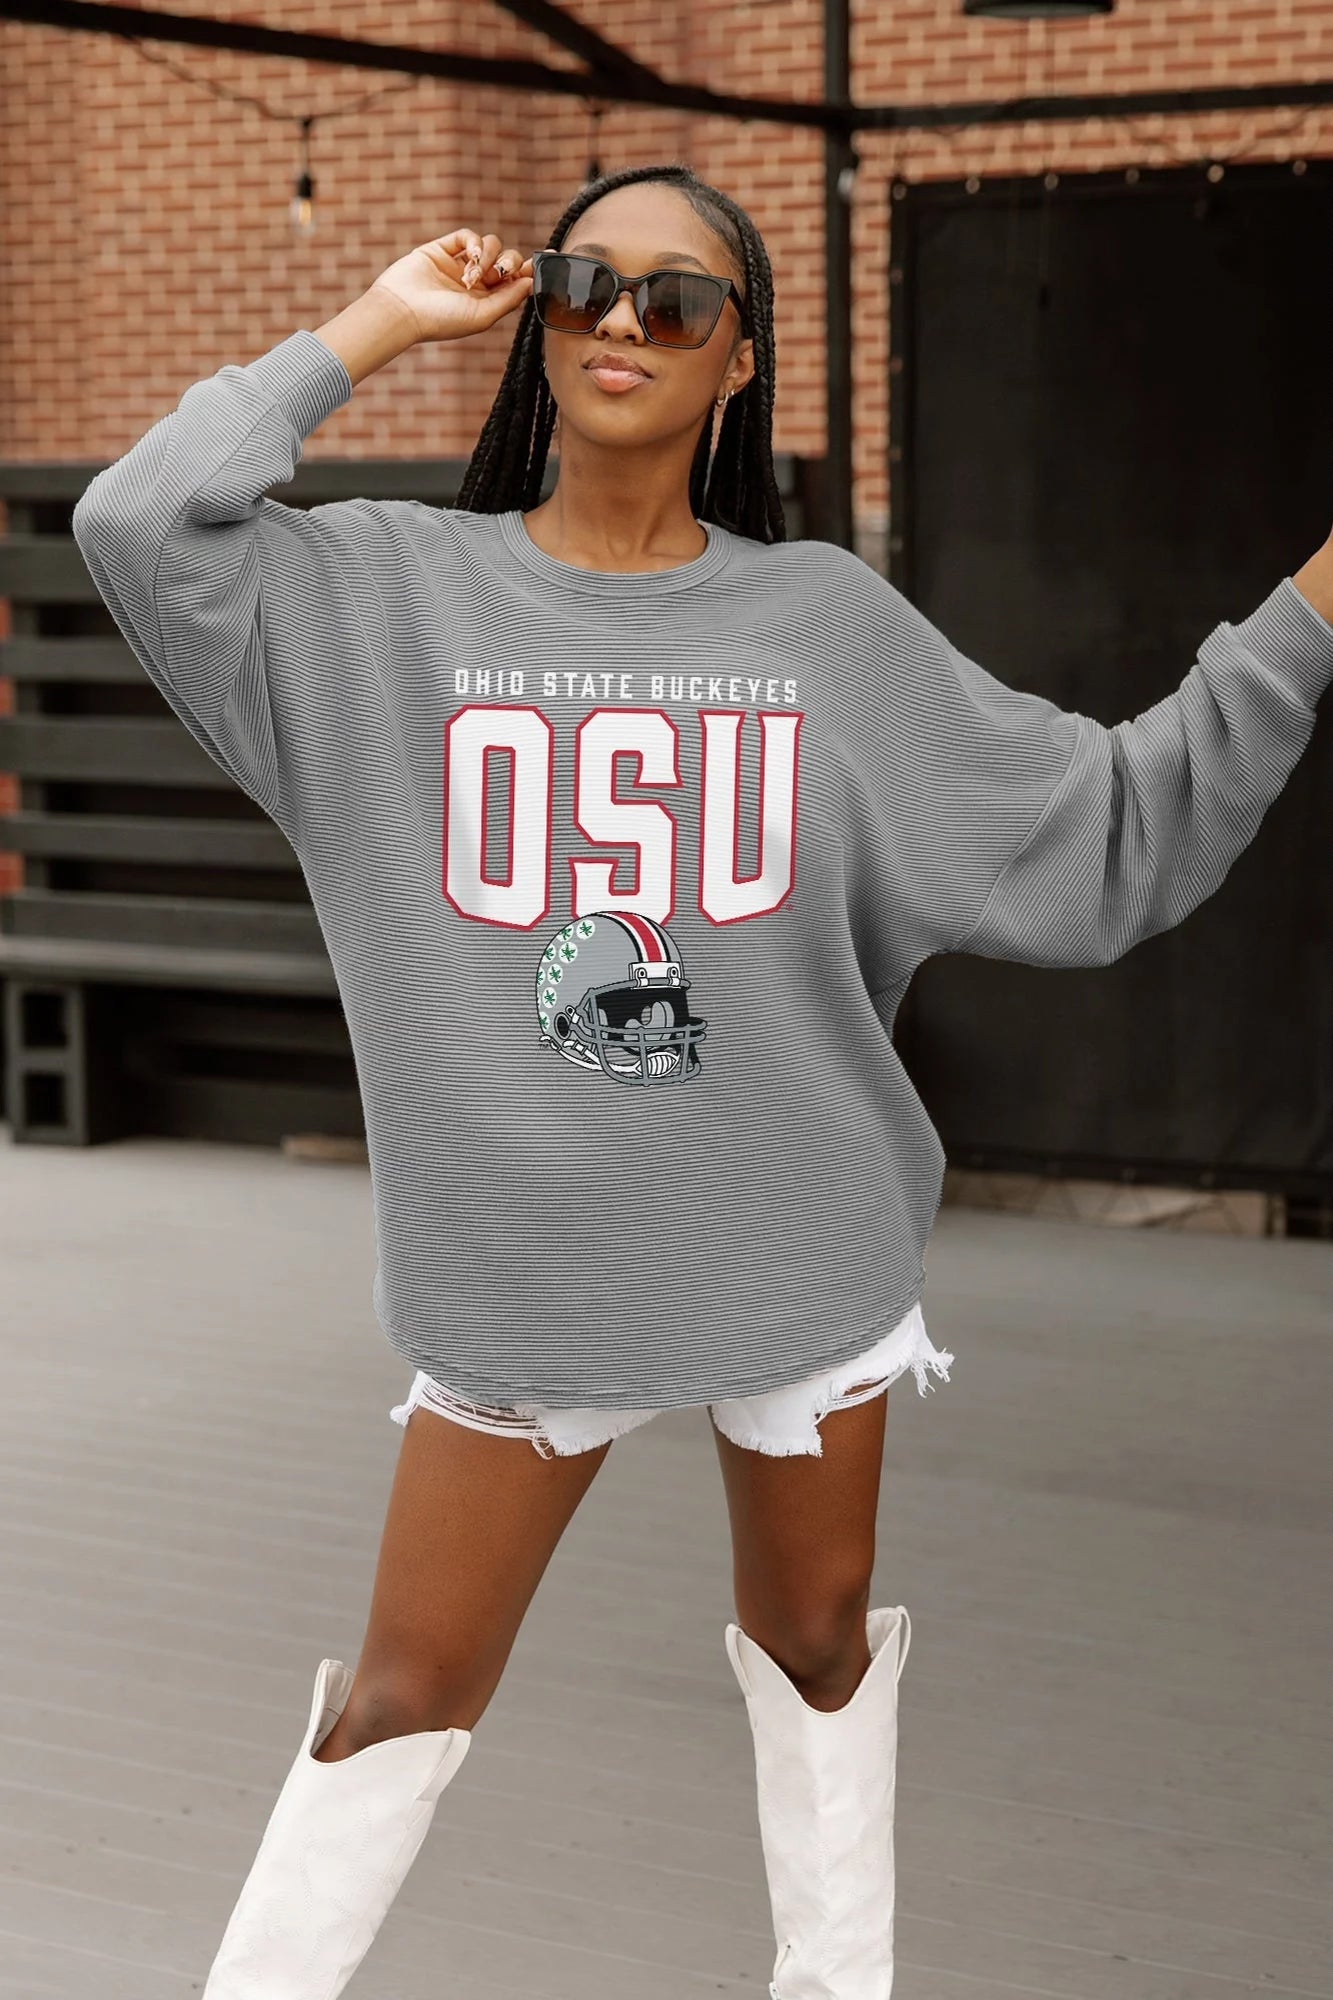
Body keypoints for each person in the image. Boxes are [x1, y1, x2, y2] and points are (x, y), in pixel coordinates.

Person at [71, 161, 1333, 2000]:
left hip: (798, 1258)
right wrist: (375, 323)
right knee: (404, 1693)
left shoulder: (821, 624)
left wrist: (1313, 598)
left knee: (820, 1651)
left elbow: (1116, 828)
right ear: (538, 314)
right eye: (585, 282)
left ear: (739, 358)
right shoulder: (377, 600)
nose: (619, 322)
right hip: (519, 1287)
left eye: (677, 299)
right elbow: (137, 519)